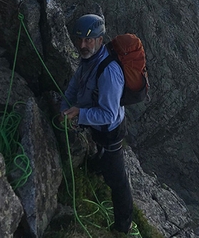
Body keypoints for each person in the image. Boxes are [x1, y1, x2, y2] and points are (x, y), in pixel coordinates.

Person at [60, 14, 133, 234]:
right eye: (79, 39)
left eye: (88, 40)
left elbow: (109, 115)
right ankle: (96, 165)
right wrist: (64, 107)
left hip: (110, 133)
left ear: (100, 40)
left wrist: (79, 114)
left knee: (118, 183)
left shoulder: (109, 72)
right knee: (100, 159)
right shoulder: (88, 60)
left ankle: (122, 228)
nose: (82, 45)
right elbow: (75, 86)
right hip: (99, 131)